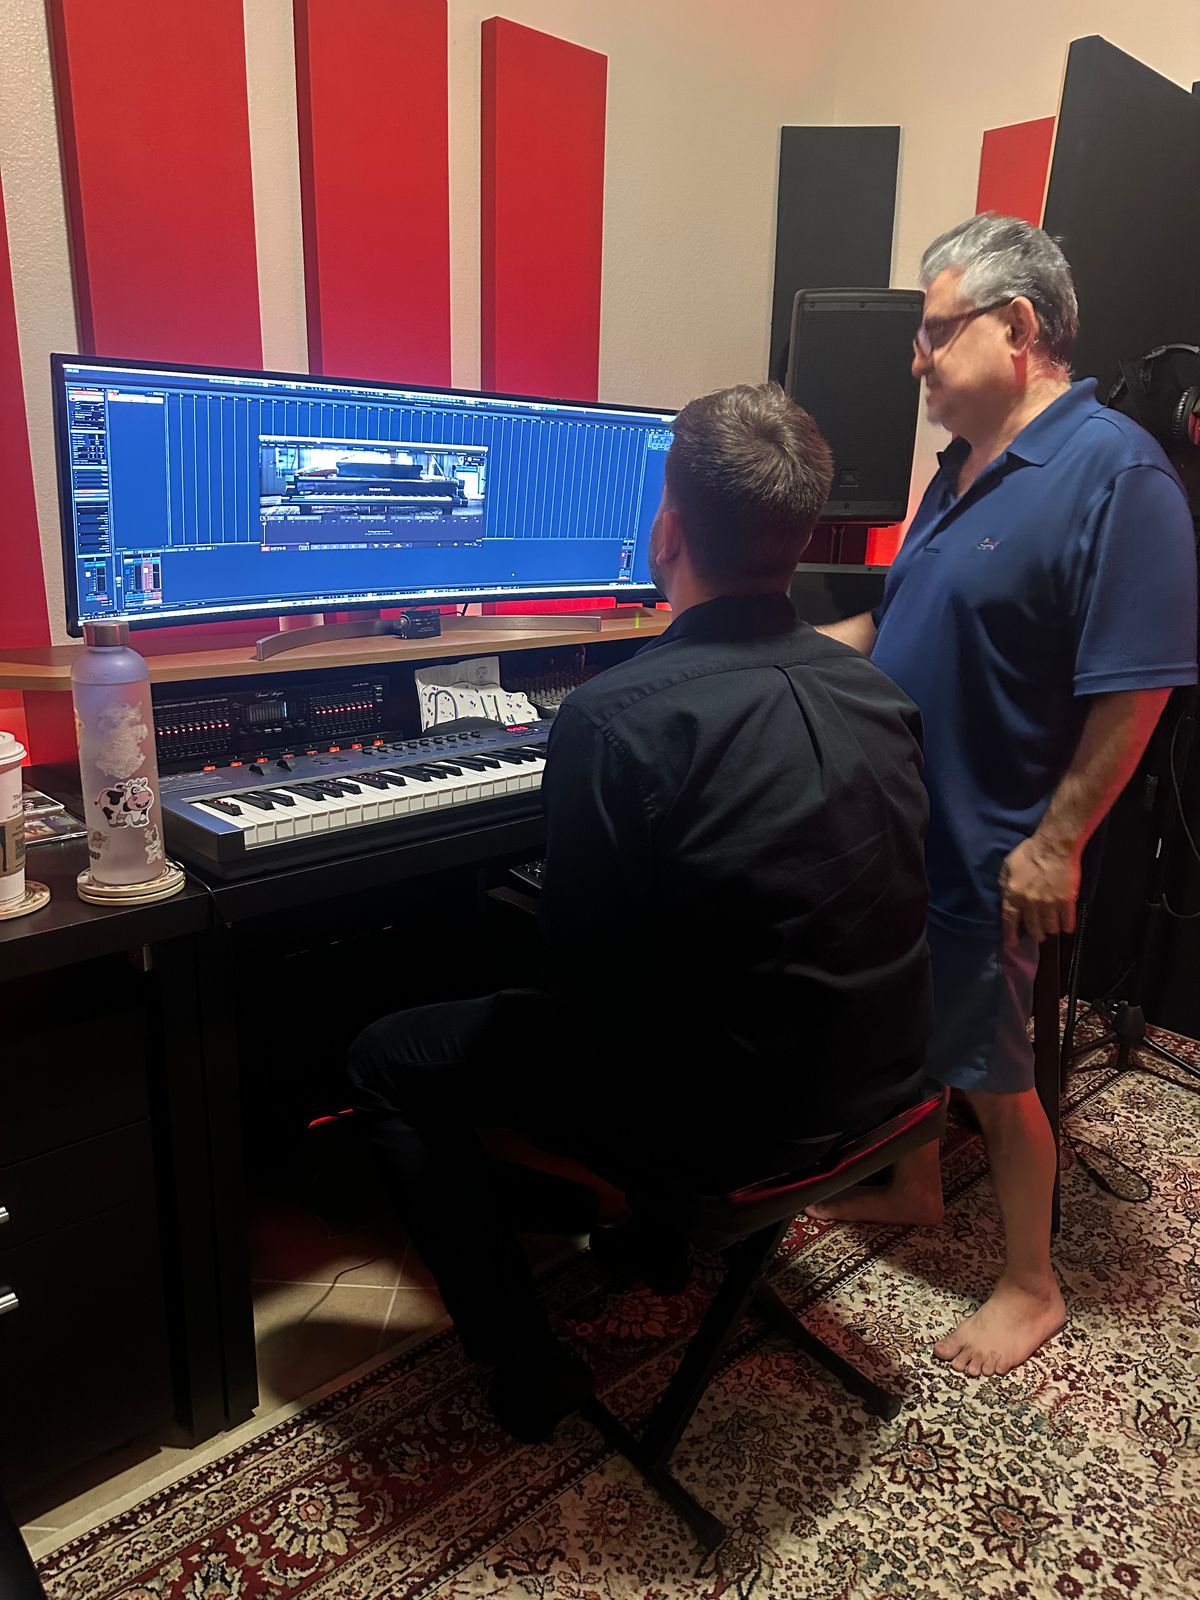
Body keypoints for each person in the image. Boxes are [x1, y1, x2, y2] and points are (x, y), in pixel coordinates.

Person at [347, 382, 932, 1440]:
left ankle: (526, 1363)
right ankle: (646, 1245)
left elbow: (583, 989)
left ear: (666, 533)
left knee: (387, 1057)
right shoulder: (880, 697)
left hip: (725, 1141)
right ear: (802, 538)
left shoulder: (616, 719)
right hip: (889, 1097)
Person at [811, 213, 1198, 1378]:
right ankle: (916, 1186)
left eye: (935, 331)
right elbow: (894, 616)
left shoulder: (1120, 476)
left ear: (1017, 326)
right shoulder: (957, 470)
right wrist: (755, 653)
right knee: (917, 1026)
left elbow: (1139, 688)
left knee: (996, 1070)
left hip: (994, 845)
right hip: (904, 829)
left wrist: (1058, 841)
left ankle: (1034, 1283)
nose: (916, 358)